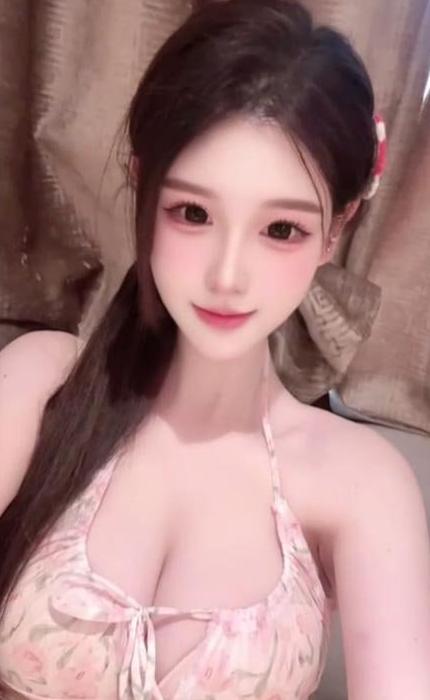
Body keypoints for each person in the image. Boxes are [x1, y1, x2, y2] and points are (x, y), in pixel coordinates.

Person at [0, 1, 429, 698]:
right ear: (143, 187)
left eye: (281, 230)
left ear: (336, 229)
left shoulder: (360, 483)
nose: (227, 276)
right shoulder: (42, 384)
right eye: (193, 213)